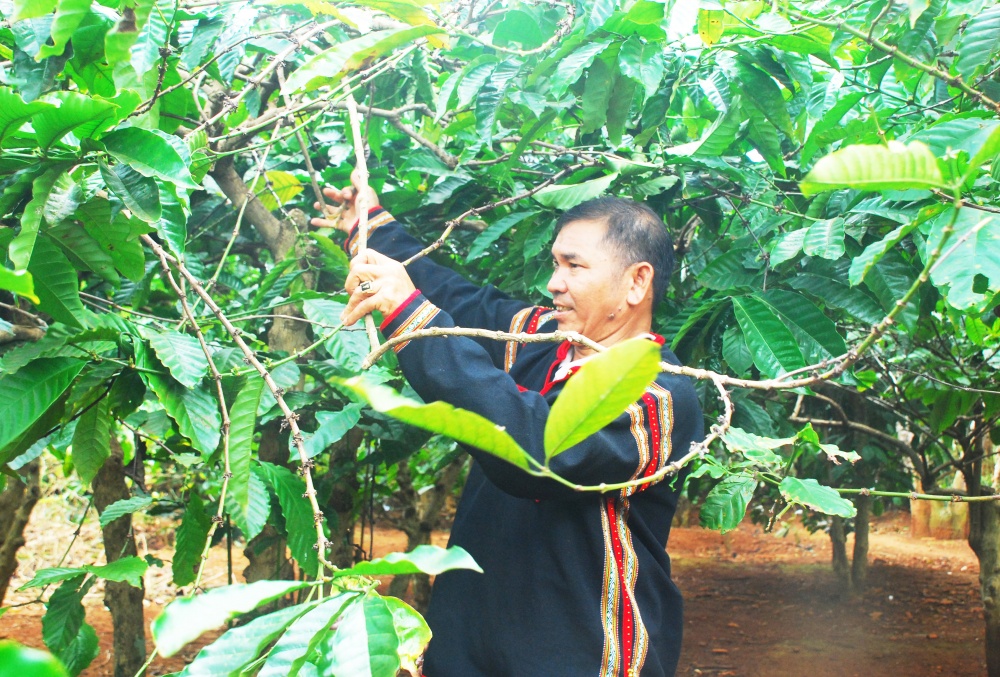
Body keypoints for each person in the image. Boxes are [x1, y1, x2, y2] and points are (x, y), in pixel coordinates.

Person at [312, 177, 704, 677]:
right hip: (473, 639)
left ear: (636, 282)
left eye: (574, 266)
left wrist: (407, 313)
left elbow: (540, 450)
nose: (554, 282)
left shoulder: (656, 396)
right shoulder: (542, 337)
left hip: (579, 651)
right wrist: (369, 228)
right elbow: (457, 298)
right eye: (556, 263)